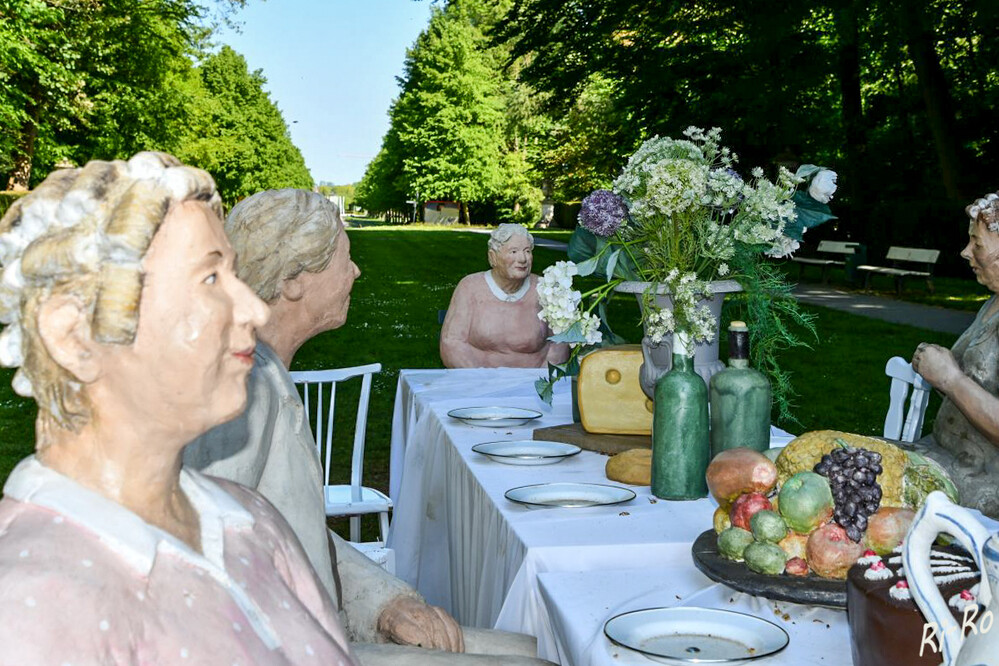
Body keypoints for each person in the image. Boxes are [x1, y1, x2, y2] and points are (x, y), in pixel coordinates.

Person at [0, 154, 357, 664]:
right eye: (211, 278)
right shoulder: (28, 610)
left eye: (234, 273)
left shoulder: (252, 521)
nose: (254, 310)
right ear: (72, 333)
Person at [185, 190, 549, 665]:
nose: (355, 271)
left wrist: (384, 603)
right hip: (291, 647)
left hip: (321, 623)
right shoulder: (240, 393)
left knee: (548, 649)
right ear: (295, 280)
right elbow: (203, 562)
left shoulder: (266, 371)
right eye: (345, 257)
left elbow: (289, 531)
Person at [912, 191, 999, 518]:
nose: (965, 252)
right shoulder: (993, 303)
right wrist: (937, 370)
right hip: (941, 455)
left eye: (977, 245)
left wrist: (951, 378)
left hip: (982, 487)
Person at [440, 224, 568, 368]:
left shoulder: (546, 289)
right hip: (478, 384)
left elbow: (560, 342)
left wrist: (542, 379)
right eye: (513, 252)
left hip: (533, 384)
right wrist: (479, 379)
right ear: (492, 257)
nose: (522, 259)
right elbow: (452, 342)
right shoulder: (470, 288)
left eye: (527, 251)